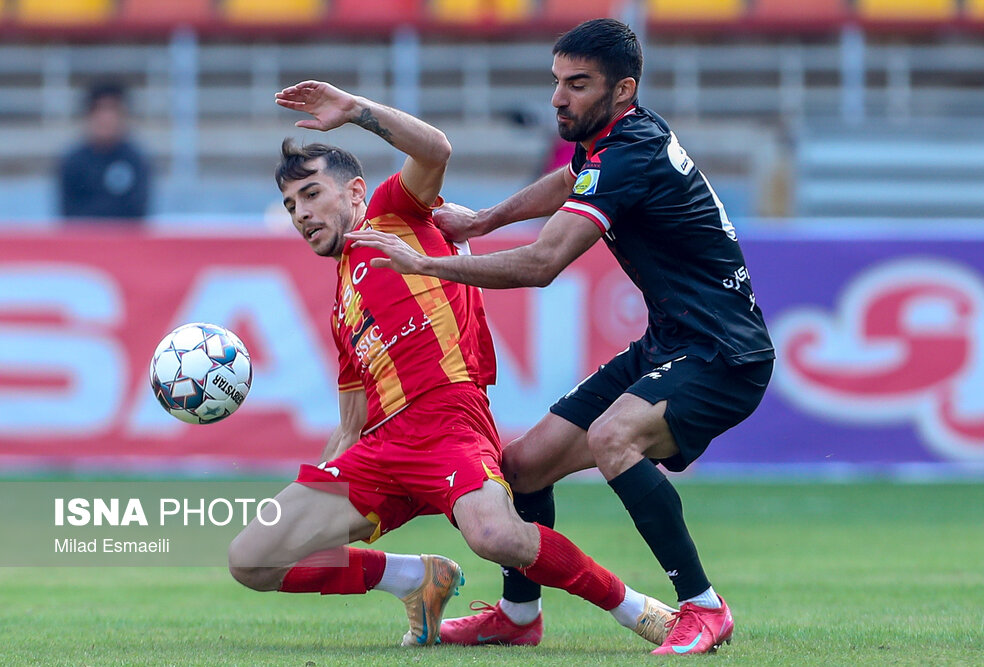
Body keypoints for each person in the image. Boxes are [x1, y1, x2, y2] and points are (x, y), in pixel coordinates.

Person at [345, 18, 775, 656]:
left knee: (613, 438)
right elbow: (572, 178)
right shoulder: (613, 137)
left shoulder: (629, 153)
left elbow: (543, 264)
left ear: (623, 89)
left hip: (723, 354)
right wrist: (484, 220)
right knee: (521, 468)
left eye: (577, 84)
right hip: (671, 342)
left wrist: (428, 264)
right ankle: (518, 616)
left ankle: (703, 607)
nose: (557, 98)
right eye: (556, 81)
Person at [227, 79, 678, 649]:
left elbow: (435, 149)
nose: (302, 213)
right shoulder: (342, 308)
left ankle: (637, 609)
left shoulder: (392, 215)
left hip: (449, 424)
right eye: (292, 205)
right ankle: (415, 578)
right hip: (383, 451)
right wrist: (320, 494)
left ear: (355, 191)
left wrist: (357, 110)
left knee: (496, 537)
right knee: (252, 558)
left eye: (312, 194)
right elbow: (350, 425)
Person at [57, 81, 151, 221]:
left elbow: (138, 212)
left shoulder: (136, 160)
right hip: (84, 235)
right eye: (100, 110)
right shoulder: (73, 162)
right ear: (89, 115)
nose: (106, 118)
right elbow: (68, 213)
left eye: (113, 110)